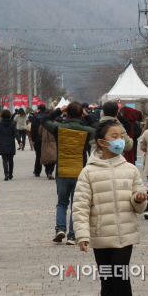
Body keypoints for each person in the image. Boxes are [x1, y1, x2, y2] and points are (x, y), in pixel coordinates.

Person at [73, 120, 148, 296]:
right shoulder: (88, 172)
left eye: (121, 136)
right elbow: (80, 206)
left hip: (124, 235)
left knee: (121, 278)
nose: (120, 141)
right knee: (107, 281)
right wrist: (82, 235)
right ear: (102, 142)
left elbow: (139, 207)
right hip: (101, 236)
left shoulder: (131, 170)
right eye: (114, 137)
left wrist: (138, 199)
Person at [41, 102, 97, 246]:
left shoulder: (59, 128)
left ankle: (60, 228)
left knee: (62, 203)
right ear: (81, 115)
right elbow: (99, 129)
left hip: (62, 171)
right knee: (76, 205)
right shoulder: (86, 130)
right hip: (79, 171)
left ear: (67, 114)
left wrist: (58, 110)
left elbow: (44, 120)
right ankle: (72, 235)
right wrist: (88, 116)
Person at [0, 110, 22, 181]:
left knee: (4, 159)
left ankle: (6, 174)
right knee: (11, 159)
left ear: (2, 116)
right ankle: (10, 174)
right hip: (11, 142)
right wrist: (19, 141)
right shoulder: (12, 124)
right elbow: (16, 133)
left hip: (2, 142)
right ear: (9, 115)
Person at [30, 104, 50, 178]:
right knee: (47, 155)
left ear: (38, 109)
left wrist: (33, 139)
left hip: (38, 139)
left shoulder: (35, 117)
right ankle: (48, 171)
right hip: (47, 139)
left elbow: (33, 129)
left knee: (38, 156)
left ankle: (37, 172)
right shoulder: (48, 116)